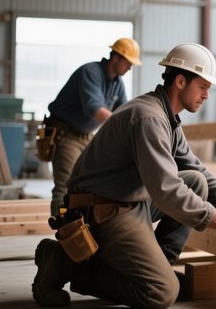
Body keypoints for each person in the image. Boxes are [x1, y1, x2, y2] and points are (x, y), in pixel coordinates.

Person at [31, 42, 216, 309]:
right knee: (160, 292)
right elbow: (168, 191)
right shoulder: (149, 119)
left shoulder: (165, 116)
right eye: (203, 87)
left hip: (126, 201)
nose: (206, 95)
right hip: (102, 211)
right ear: (181, 81)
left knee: (196, 181)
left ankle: (158, 267)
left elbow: (196, 168)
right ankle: (63, 263)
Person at [43, 38, 142, 218]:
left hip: (85, 135)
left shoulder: (117, 83)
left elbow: (123, 112)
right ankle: (62, 233)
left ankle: (78, 229)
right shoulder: (91, 72)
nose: (130, 68)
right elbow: (94, 109)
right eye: (129, 63)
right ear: (117, 58)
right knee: (66, 186)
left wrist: (136, 127)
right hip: (65, 134)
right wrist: (122, 127)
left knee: (85, 185)